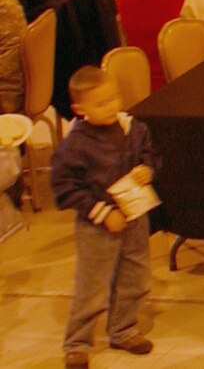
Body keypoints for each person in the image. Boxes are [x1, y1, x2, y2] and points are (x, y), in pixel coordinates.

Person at [54, 65, 160, 369]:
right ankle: (77, 343)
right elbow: (65, 188)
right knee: (92, 286)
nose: (112, 106)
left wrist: (146, 168)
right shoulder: (75, 144)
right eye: (101, 103)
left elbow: (150, 154)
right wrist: (102, 213)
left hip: (135, 216)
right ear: (80, 109)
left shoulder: (133, 128)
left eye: (114, 98)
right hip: (97, 225)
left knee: (135, 276)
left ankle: (124, 329)